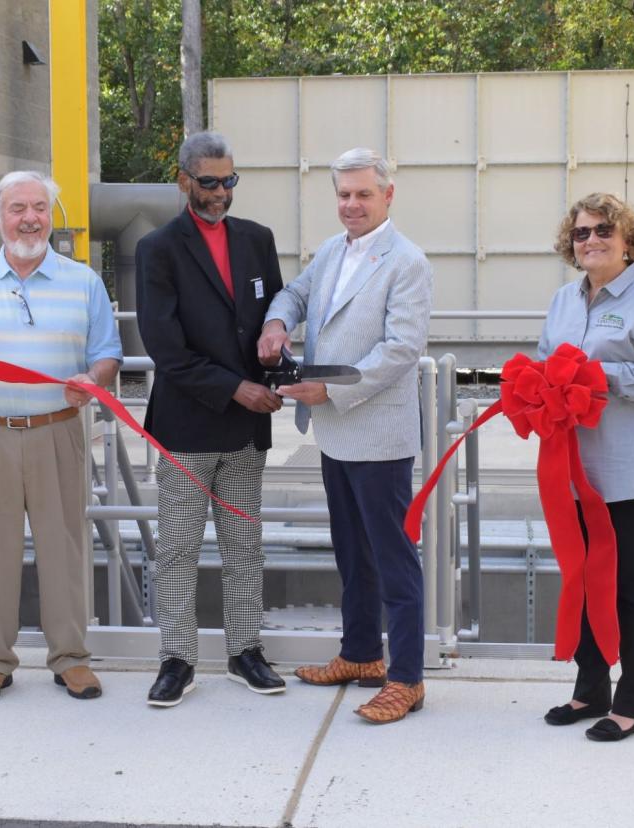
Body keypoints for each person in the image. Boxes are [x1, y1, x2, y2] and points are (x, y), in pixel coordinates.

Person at [0, 170, 122, 704]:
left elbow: (107, 352)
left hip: (57, 430)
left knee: (64, 545)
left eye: (40, 207)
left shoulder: (84, 281)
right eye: (18, 208)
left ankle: (71, 658)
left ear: (50, 216)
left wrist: (96, 378)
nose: (30, 218)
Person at [257, 148, 432, 724]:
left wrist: (329, 391)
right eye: (343, 195)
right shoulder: (333, 250)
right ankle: (361, 655)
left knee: (394, 560)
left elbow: (401, 350)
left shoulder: (407, 262)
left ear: (388, 196)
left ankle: (406, 677)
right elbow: (297, 294)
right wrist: (278, 323)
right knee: (353, 556)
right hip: (335, 436)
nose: (351, 205)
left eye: (362, 194)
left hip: (378, 436)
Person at [135, 131, 286, 707]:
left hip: (247, 429)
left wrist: (278, 373)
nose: (221, 193)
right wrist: (235, 390)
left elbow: (270, 320)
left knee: (245, 544)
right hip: (187, 425)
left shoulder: (257, 240)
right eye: (209, 182)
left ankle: (246, 651)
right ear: (183, 181)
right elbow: (165, 349)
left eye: (229, 181)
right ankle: (177, 659)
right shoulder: (159, 248)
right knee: (176, 546)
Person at [539, 193, 634, 742]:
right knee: (582, 581)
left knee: (629, 587)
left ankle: (633, 703)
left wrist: (603, 377)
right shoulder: (563, 300)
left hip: (628, 471)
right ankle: (591, 689)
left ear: (627, 238)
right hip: (572, 467)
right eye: (581, 232)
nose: (592, 240)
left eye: (604, 230)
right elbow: (546, 363)